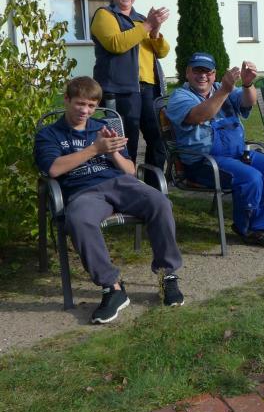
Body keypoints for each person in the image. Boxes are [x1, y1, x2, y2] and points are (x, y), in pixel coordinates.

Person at [34, 77, 184, 324]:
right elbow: (53, 168)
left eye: (91, 106)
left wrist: (113, 152)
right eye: (80, 104)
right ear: (66, 100)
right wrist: (94, 149)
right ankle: (112, 288)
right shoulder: (49, 134)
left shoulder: (102, 126)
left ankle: (167, 275)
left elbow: (130, 170)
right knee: (79, 219)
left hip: (120, 183)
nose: (85, 111)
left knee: (160, 203)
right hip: (83, 191)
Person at [167, 53, 264, 247]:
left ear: (214, 74)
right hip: (203, 161)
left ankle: (263, 227)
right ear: (187, 73)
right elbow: (199, 116)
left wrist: (247, 84)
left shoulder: (220, 88)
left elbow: (248, 102)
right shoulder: (180, 97)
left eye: (207, 72)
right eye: (197, 71)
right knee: (251, 177)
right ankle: (246, 228)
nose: (202, 76)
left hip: (236, 154)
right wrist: (224, 90)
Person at [91, 0, 170, 183]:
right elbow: (115, 44)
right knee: (127, 143)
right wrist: (148, 25)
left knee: (158, 139)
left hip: (149, 89)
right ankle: (126, 188)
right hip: (120, 90)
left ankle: (153, 188)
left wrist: (154, 31)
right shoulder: (104, 15)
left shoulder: (140, 19)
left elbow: (162, 51)